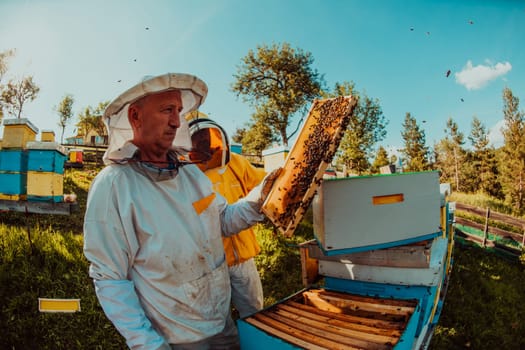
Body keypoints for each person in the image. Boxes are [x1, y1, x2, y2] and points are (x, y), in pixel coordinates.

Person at [83, 73, 278, 349]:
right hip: (176, 337)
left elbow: (221, 220)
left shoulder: (191, 176)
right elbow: (110, 277)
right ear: (135, 117)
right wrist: (148, 343)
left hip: (221, 323)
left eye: (178, 111)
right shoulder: (114, 185)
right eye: (166, 110)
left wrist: (260, 198)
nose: (176, 121)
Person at [188, 117, 265, 318]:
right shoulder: (185, 176)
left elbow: (263, 181)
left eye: (209, 139)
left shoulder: (236, 163)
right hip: (208, 264)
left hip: (242, 257)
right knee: (215, 319)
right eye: (199, 142)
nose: (206, 146)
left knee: (254, 313)